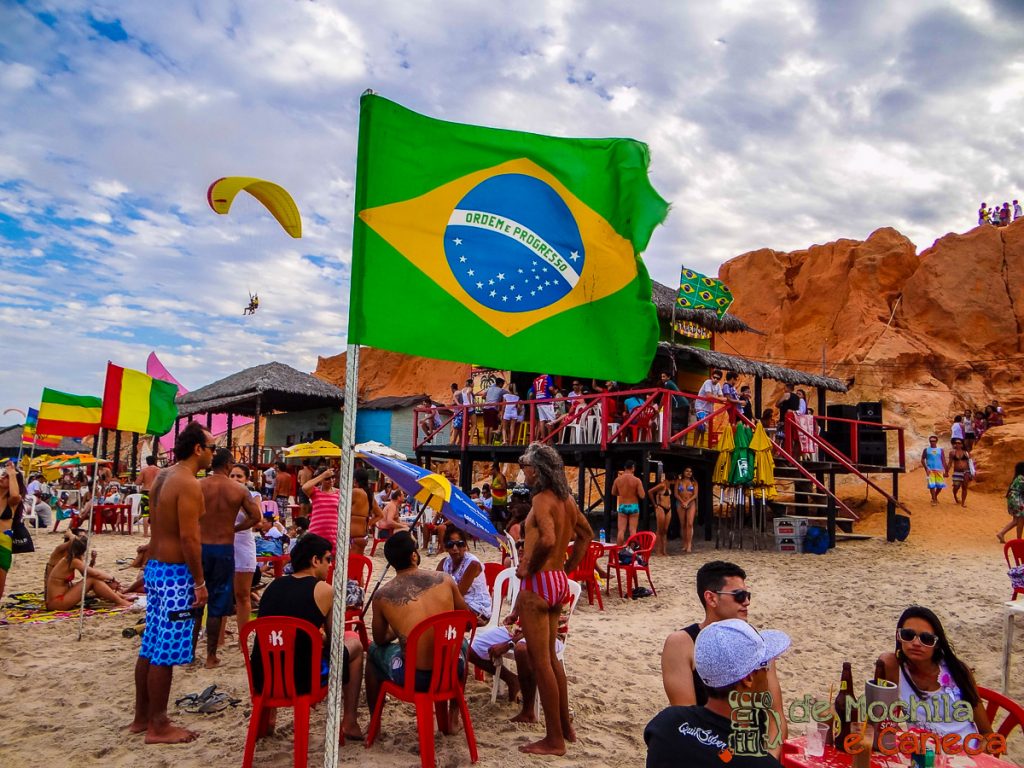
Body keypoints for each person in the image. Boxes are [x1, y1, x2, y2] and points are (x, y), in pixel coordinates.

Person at [128, 421, 213, 744]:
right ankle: (159, 724)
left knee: (150, 645)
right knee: (164, 650)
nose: (213, 454)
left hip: (157, 569)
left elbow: (156, 526)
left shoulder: (163, 476)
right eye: (211, 448)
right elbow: (190, 538)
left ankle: (141, 717)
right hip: (177, 574)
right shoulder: (188, 483)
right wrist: (199, 581)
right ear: (198, 449)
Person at [515, 442, 594, 755]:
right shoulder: (567, 501)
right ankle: (565, 727)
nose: (524, 473)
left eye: (526, 467)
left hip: (540, 582)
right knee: (552, 659)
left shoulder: (541, 498)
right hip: (558, 581)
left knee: (541, 663)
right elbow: (586, 535)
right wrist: (568, 569)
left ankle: (554, 740)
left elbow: (546, 539)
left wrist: (528, 569)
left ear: (538, 469)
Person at [250, 533, 364, 741]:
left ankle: (268, 719)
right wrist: (320, 638)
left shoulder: (273, 586)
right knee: (354, 645)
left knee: (284, 647)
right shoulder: (324, 590)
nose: (330, 565)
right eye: (328, 559)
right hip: (302, 679)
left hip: (263, 675)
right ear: (315, 560)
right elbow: (335, 642)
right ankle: (349, 721)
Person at [646, 619, 791, 767]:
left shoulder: (665, 724)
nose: (767, 672)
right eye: (765, 664)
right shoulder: (758, 762)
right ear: (748, 678)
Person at [366, 531, 470, 724]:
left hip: (415, 679)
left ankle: (375, 722)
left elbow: (379, 640)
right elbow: (465, 619)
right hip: (452, 670)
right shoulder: (445, 579)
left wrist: (400, 632)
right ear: (414, 555)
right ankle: (454, 711)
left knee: (373, 653)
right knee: (461, 643)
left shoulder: (382, 595)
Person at [876, 606, 992, 744]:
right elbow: (880, 723)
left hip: (967, 754)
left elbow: (986, 733)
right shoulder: (892, 668)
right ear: (898, 636)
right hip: (925, 757)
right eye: (908, 635)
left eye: (927, 639)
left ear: (937, 644)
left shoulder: (957, 671)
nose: (916, 643)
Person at [196, 448, 262, 668]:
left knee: (197, 600)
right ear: (228, 465)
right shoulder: (238, 490)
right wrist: (234, 528)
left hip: (200, 546)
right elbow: (256, 517)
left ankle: (188, 652)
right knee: (218, 602)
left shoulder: (198, 486)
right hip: (224, 547)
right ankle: (211, 656)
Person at [45, 536, 134, 611]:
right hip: (57, 602)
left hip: (59, 598)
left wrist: (93, 561)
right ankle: (121, 601)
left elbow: (87, 574)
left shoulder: (71, 559)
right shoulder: (71, 560)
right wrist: (112, 579)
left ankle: (120, 597)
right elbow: (95, 574)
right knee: (94, 579)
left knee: (95, 579)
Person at [229, 463, 262, 637]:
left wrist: (241, 499)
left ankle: (243, 635)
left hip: (243, 544)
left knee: (243, 594)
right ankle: (219, 639)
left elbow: (258, 520)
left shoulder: (253, 495)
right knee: (222, 594)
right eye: (232, 476)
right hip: (225, 544)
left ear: (247, 479)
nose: (235, 479)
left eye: (239, 476)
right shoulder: (223, 494)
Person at [436, 527, 491, 624]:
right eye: (450, 544)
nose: (455, 548)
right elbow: (435, 587)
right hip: (456, 604)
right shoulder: (444, 562)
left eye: (459, 544)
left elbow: (459, 594)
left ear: (465, 546)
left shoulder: (473, 564)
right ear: (446, 547)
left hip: (476, 607)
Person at [0, 461, 26, 603]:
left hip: (3, 544)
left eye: (6, 477)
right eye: (2, 475)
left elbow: (16, 494)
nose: (2, 477)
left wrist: (11, 473)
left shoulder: (12, 501)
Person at [303, 465, 341, 550]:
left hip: (333, 534)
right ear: (321, 480)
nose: (331, 480)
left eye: (333, 477)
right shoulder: (315, 492)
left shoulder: (339, 493)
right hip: (316, 532)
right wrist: (323, 475)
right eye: (327, 479)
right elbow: (304, 487)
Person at [611, 460, 645, 546]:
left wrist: (622, 493)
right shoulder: (637, 480)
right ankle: (632, 550)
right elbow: (642, 495)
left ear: (625, 467)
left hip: (622, 506)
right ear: (633, 468)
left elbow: (613, 493)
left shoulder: (618, 480)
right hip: (633, 506)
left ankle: (619, 550)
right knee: (633, 530)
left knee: (621, 530)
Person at [349, 468, 380, 555]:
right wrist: (368, 524)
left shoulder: (355, 492)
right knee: (358, 566)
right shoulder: (369, 495)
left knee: (350, 566)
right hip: (363, 535)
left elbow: (340, 508)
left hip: (352, 537)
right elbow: (380, 515)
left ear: (355, 480)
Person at [997, 461, 1024, 543]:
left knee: (1016, 520)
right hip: (1017, 499)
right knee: (1021, 519)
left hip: (1012, 499)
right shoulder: (1021, 478)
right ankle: (1019, 539)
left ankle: (1001, 533)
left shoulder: (1017, 478)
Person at [674, 467, 699, 554]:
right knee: (683, 524)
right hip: (680, 503)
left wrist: (687, 502)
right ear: (683, 472)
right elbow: (676, 494)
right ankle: (684, 543)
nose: (689, 473)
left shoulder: (694, 482)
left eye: (690, 471)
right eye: (687, 471)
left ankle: (689, 544)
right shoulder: (678, 481)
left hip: (691, 503)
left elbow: (695, 495)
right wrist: (682, 502)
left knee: (690, 524)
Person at [648, 473, 673, 557]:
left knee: (665, 530)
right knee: (659, 530)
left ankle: (664, 550)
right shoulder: (662, 485)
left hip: (668, 509)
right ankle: (658, 551)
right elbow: (650, 492)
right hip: (661, 507)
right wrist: (655, 504)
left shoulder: (668, 486)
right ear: (672, 480)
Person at [945, 439, 973, 507]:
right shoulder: (952, 453)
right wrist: (946, 472)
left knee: (964, 487)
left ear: (962, 444)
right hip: (957, 472)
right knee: (956, 487)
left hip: (966, 472)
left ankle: (963, 503)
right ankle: (955, 495)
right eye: (956, 443)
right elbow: (950, 463)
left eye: (959, 443)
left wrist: (972, 472)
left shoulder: (966, 453)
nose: (957, 444)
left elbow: (970, 462)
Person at [921, 435, 947, 505]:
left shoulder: (940, 450)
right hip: (930, 470)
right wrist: (926, 468)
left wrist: (946, 470)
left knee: (940, 485)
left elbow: (943, 460)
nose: (932, 442)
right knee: (932, 485)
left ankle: (934, 496)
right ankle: (934, 500)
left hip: (939, 469)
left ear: (936, 441)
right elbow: (922, 459)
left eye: (933, 441)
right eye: (931, 441)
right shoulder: (926, 450)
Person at [138, 455, 160, 538]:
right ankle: (154, 533)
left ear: (147, 462)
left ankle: (145, 533)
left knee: (145, 514)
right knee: (155, 513)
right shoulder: (159, 470)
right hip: (155, 492)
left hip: (146, 491)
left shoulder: (144, 471)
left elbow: (138, 482)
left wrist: (145, 480)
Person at [483, 377, 508, 444]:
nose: (502, 386)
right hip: (493, 409)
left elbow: (483, 396)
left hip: (485, 408)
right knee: (491, 426)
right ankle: (489, 443)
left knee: (486, 426)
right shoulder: (501, 390)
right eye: (502, 384)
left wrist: (489, 398)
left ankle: (486, 443)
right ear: (500, 384)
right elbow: (509, 394)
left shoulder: (489, 388)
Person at [532, 373, 556, 440]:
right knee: (550, 420)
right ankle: (550, 440)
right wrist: (555, 393)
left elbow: (532, 392)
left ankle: (543, 439)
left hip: (539, 402)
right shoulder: (547, 377)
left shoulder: (536, 379)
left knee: (542, 420)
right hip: (547, 401)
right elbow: (551, 388)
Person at [490, 463, 508, 532]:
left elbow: (504, 486)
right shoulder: (496, 477)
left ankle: (501, 533)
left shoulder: (500, 476)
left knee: (500, 519)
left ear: (495, 469)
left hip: (500, 502)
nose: (490, 471)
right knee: (494, 518)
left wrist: (494, 487)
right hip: (496, 502)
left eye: (491, 470)